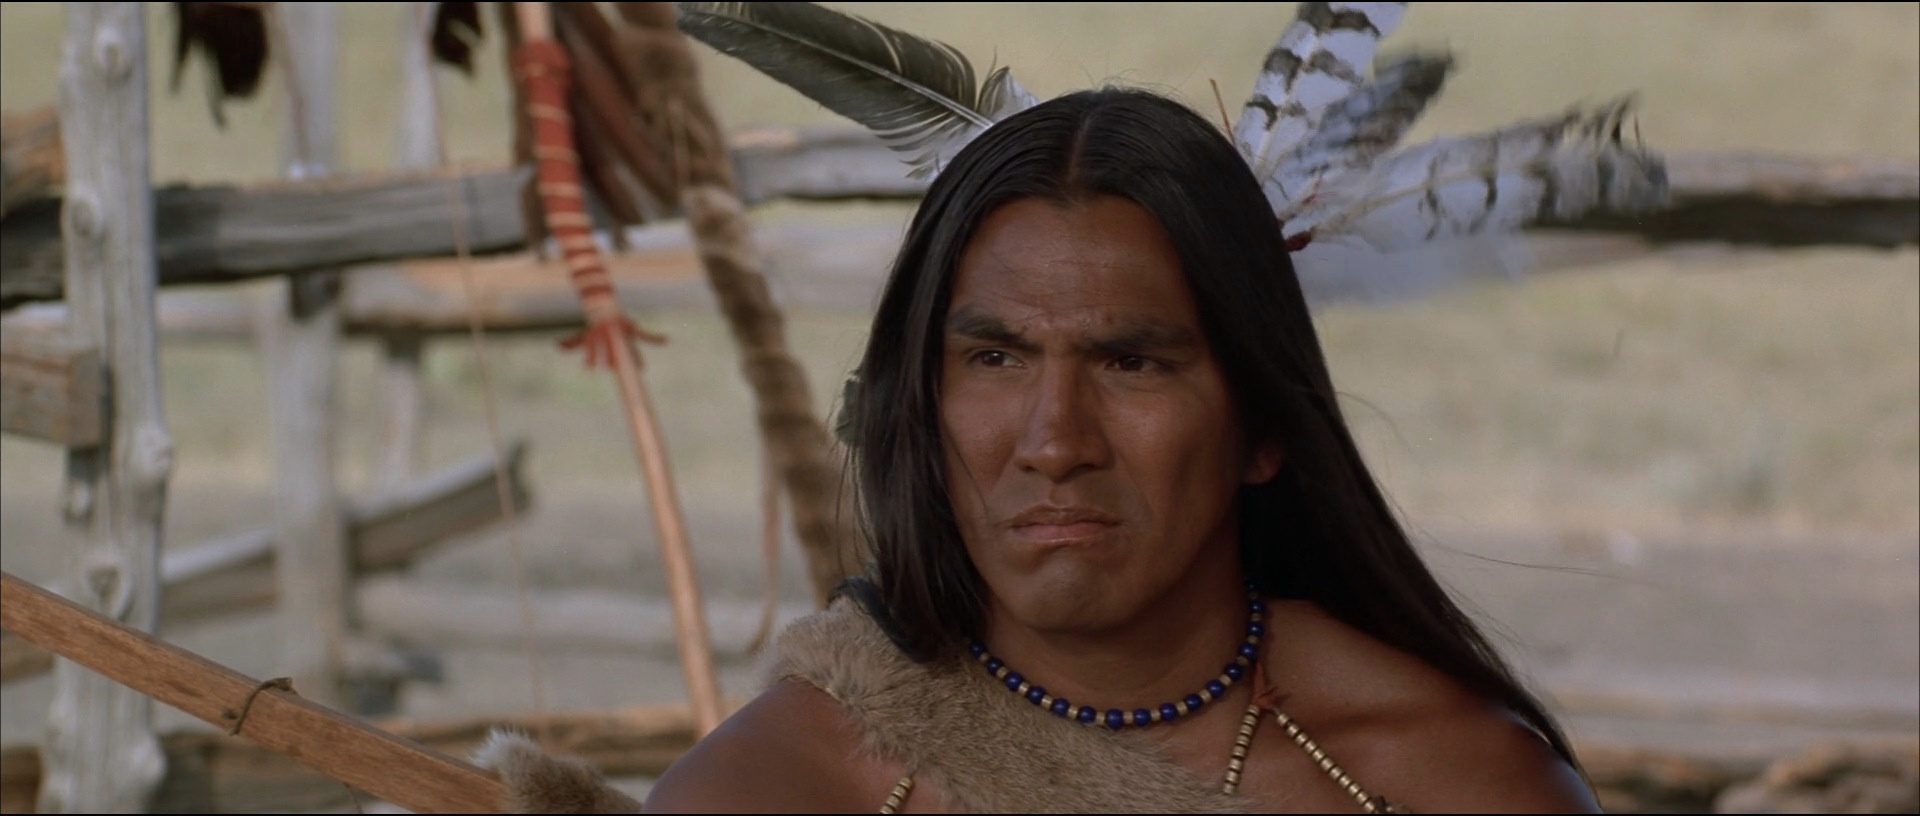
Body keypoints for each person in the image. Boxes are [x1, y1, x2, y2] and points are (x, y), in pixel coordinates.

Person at [478, 86, 1600, 813]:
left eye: (1132, 362)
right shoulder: (784, 787)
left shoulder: (1446, 778)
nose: (1055, 442)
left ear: (1262, 427)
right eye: (996, 359)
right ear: (921, 410)